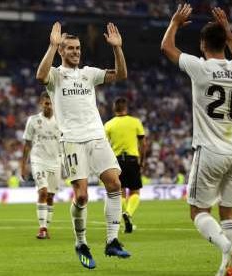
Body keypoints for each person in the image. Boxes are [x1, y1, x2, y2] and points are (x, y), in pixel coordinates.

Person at [161, 4, 232, 276]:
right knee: (228, 212)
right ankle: (226, 271)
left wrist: (175, 23)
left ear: (202, 45)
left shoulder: (200, 67)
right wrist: (228, 30)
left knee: (197, 211)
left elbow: (167, 47)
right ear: (224, 41)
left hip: (210, 151)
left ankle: (226, 247)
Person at [35, 22, 130, 269]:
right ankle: (81, 243)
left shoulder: (89, 73)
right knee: (82, 195)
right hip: (72, 140)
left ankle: (112, 240)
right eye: (70, 48)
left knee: (115, 183)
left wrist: (117, 49)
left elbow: (121, 75)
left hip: (97, 137)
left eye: (78, 48)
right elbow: (40, 76)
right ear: (61, 52)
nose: (76, 52)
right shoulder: (56, 75)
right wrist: (52, 45)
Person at [21, 92, 62, 239]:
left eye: (51, 103)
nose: (49, 106)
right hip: (38, 161)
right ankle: (42, 228)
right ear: (41, 103)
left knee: (50, 196)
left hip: (56, 161)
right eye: (46, 103)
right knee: (43, 192)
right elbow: (27, 144)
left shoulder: (61, 120)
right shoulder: (33, 120)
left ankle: (47, 227)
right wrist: (23, 165)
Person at [105, 97, 146, 233]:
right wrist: (142, 160)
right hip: (132, 159)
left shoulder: (109, 124)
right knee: (135, 191)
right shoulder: (135, 122)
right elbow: (143, 143)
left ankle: (125, 215)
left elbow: (104, 146)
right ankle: (128, 213)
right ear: (126, 108)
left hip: (117, 161)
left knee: (120, 192)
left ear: (114, 109)